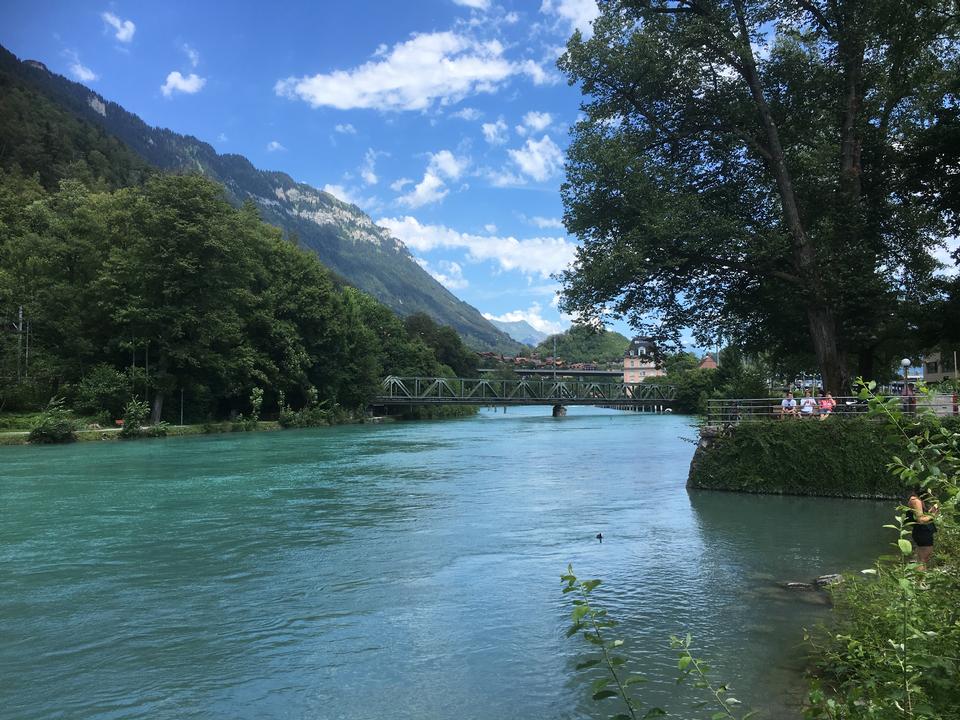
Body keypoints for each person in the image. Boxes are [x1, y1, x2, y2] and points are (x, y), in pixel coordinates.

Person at [906, 487, 938, 569]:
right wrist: (933, 515)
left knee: (921, 558)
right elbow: (920, 520)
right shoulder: (916, 501)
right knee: (923, 558)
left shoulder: (917, 500)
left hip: (921, 531)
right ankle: (920, 581)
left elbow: (922, 515)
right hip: (922, 531)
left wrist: (932, 511)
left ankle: (920, 580)